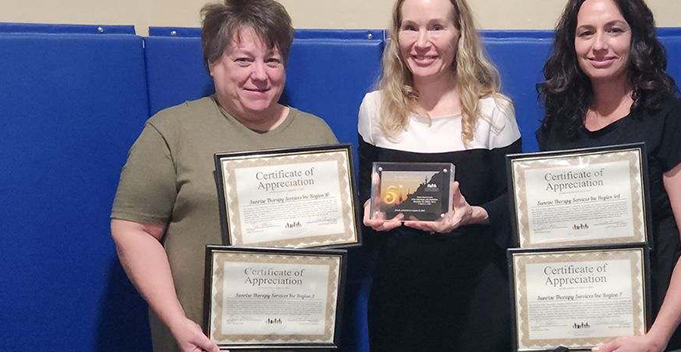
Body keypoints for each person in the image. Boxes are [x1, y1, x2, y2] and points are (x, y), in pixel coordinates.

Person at [108, 0, 338, 351]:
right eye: (243, 60)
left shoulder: (316, 134)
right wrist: (176, 321)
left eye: (272, 60)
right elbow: (132, 231)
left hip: (294, 338)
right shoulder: (171, 131)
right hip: (201, 342)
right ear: (213, 64)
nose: (260, 74)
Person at [536, 0, 681, 351]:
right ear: (571, 44)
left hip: (666, 336)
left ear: (637, 38)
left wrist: (656, 338)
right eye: (586, 32)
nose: (599, 45)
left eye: (614, 30)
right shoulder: (561, 124)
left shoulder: (671, 120)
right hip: (584, 332)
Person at [356, 0, 521, 350]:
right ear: (396, 35)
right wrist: (368, 210)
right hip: (398, 300)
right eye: (410, 27)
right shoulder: (374, 108)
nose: (421, 41)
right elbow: (361, 198)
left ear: (459, 33)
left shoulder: (494, 111)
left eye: (436, 27)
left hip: (477, 296)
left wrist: (473, 214)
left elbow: (516, 205)